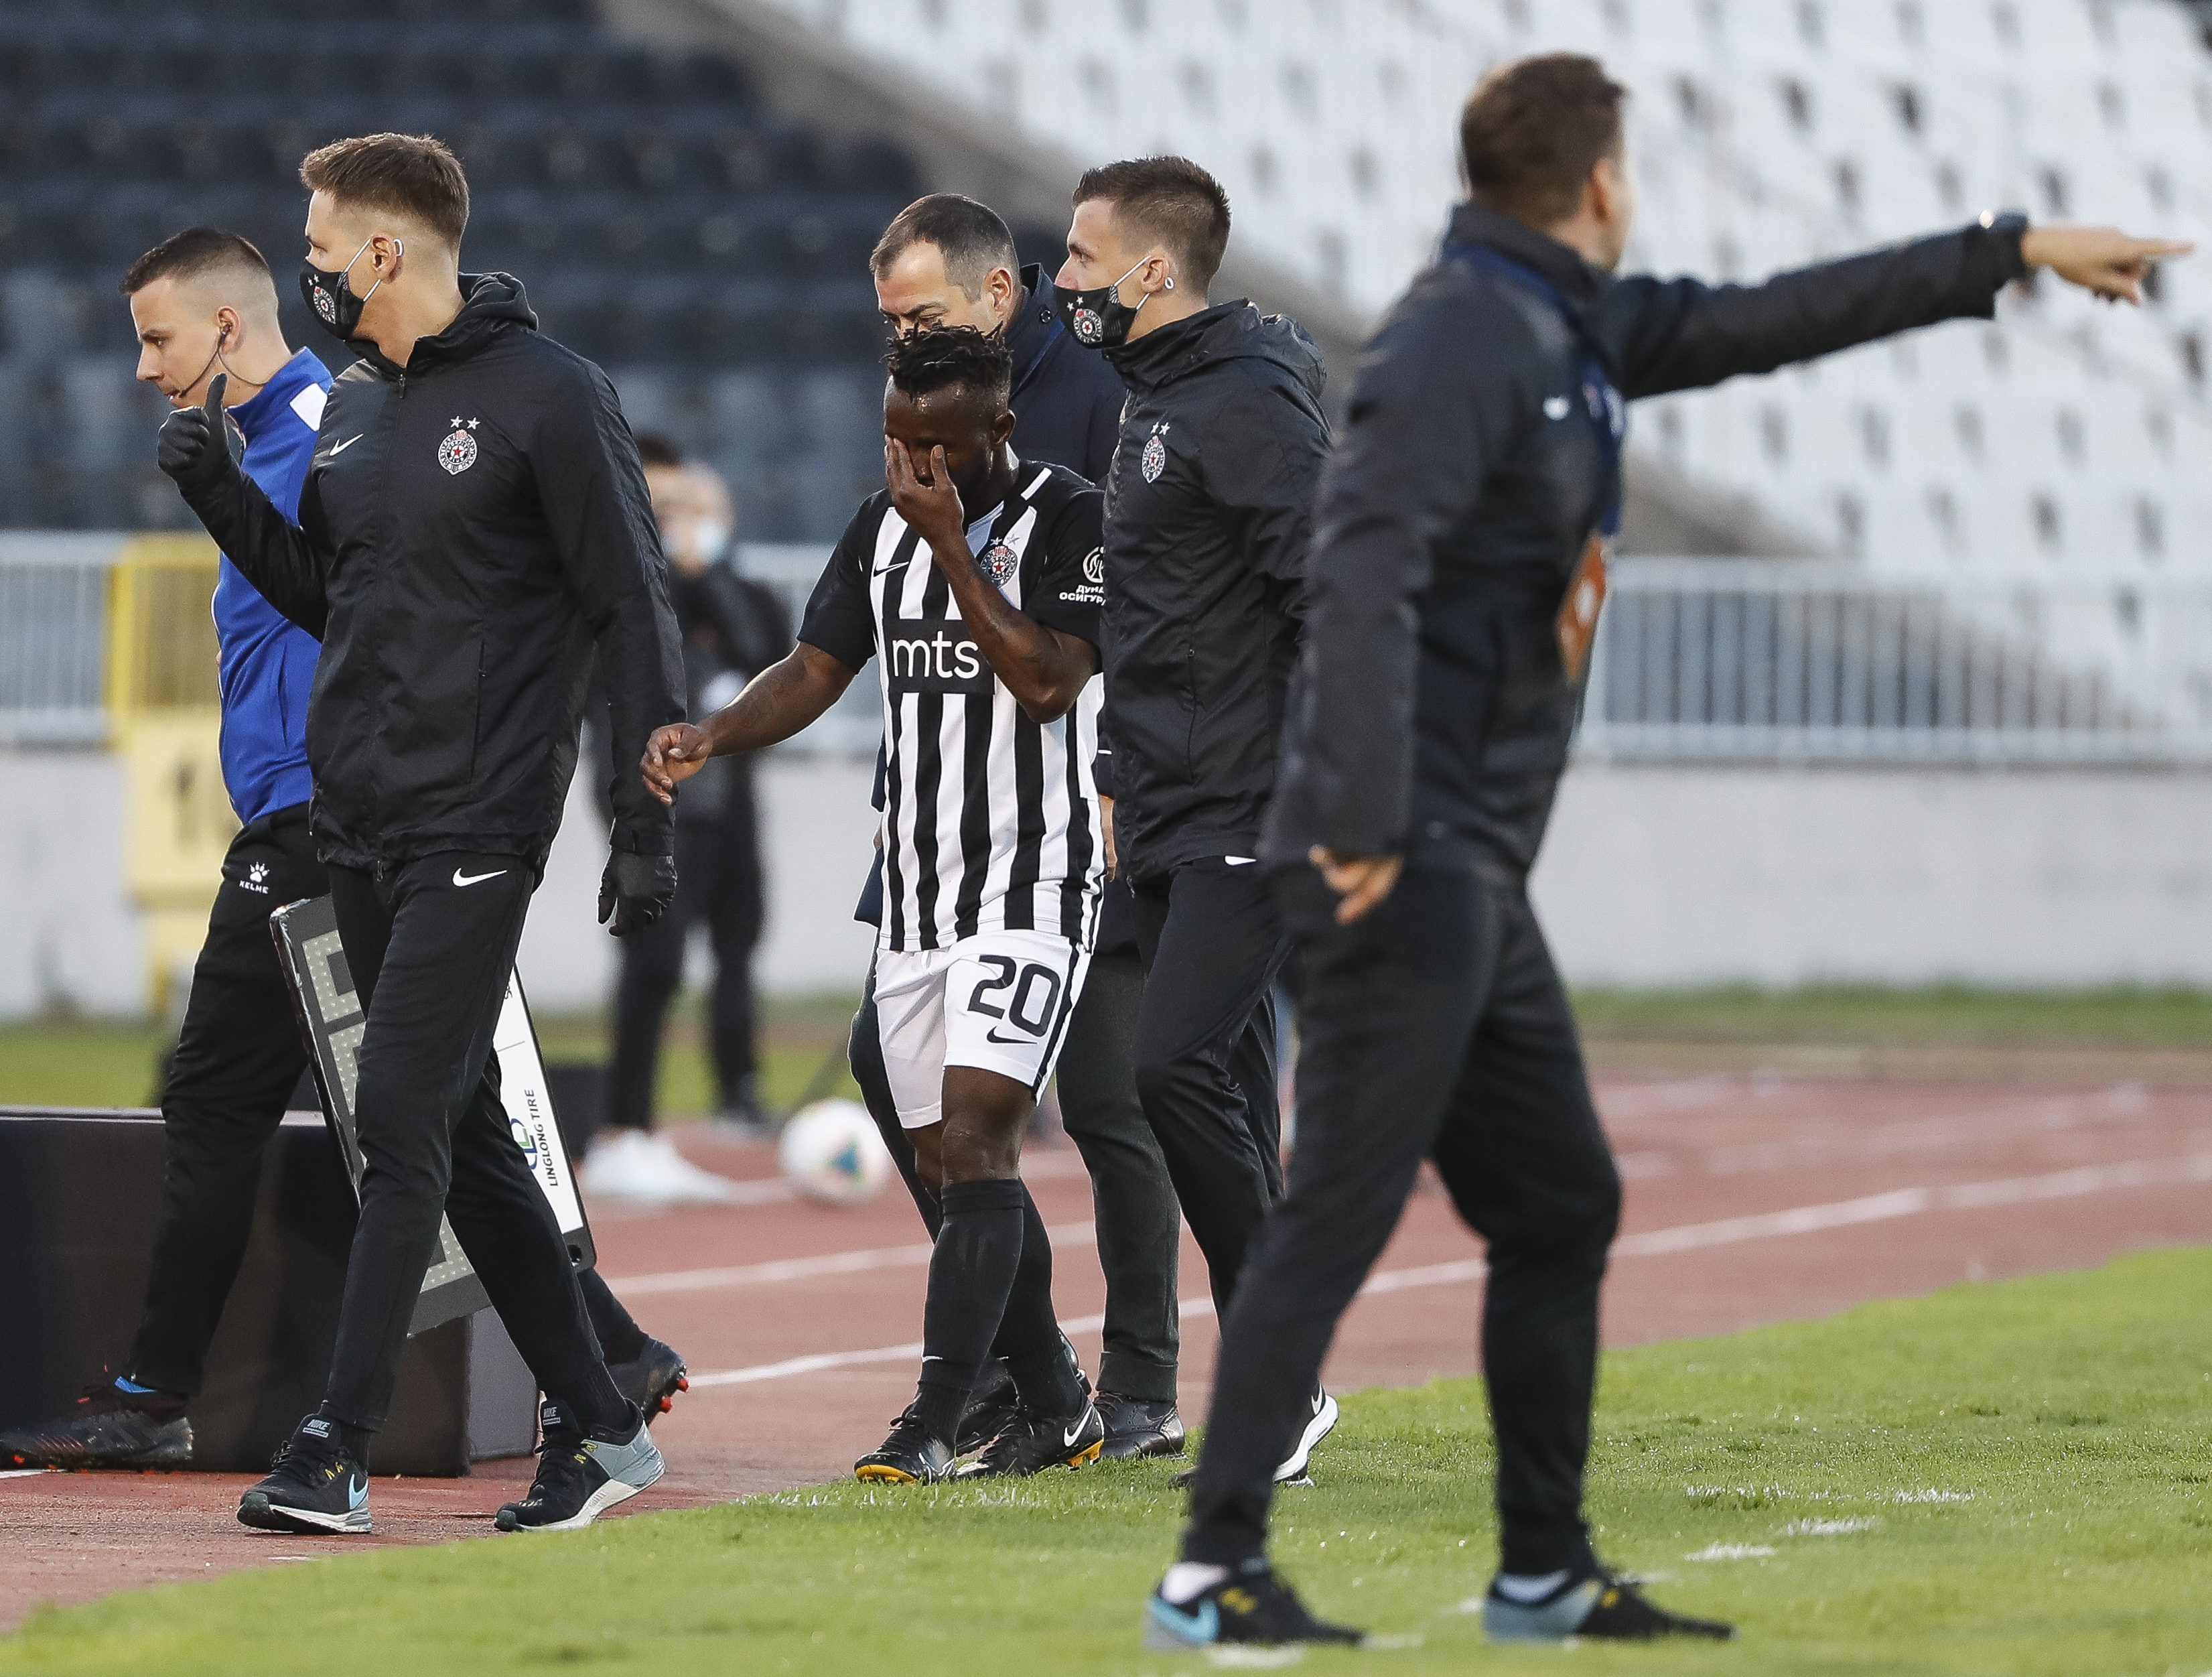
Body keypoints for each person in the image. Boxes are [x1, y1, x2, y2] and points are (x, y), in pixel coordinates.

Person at [1144, 54, 2195, 1652]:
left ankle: (1540, 1572)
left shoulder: (1563, 321)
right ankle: (1210, 1572)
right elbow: (1358, 568)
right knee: (1336, 1216)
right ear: (1600, 181)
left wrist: (2007, 250)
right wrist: (1355, 813)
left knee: (1559, 1204)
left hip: (1469, 865)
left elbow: (1772, 315)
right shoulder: (1456, 340)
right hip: (1396, 852)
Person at [0, 225, 685, 1475]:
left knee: (271, 1098)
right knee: (437, 1110)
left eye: (158, 337)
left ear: (221, 327)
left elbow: (416, 626)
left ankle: (194, 1400)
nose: (145, 366)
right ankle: (610, 1358)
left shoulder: (343, 424)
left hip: (345, 825)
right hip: (337, 822)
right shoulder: (286, 436)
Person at [642, 326, 1109, 1482]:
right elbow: (812, 666)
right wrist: (712, 731)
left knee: (982, 1139)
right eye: (896, 443)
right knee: (948, 1167)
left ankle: (934, 1418)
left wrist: (955, 545)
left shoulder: (1075, 519)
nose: (912, 470)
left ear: (999, 430)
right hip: (916, 895)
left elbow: (1047, 678)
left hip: (1032, 882)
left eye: (936, 447)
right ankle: (1054, 1394)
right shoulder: (877, 525)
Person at [859, 193, 1219, 1458]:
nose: (896, 337)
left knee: (1118, 1101)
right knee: (898, 1073)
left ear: (993, 299)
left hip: (1102, 807)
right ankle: (1028, 1367)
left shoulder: (1116, 412)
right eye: (888, 320)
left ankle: (1137, 1383)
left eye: (917, 315)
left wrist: (1143, 778)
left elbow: (1154, 617)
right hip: (951, 830)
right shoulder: (929, 405)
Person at [1051, 157, 1338, 1479]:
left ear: (1153, 272)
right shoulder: (1150, 401)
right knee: (1202, 1081)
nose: (1063, 283)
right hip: (1163, 797)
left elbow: (1323, 598)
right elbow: (1146, 621)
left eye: (1080, 260)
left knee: (1168, 1070)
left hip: (1251, 796)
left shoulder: (1248, 398)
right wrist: (1116, 781)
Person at [583, 435, 790, 1203]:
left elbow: (764, 652)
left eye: (693, 509)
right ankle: (620, 1129)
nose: (681, 524)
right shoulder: (622, 586)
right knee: (654, 958)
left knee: (714, 950)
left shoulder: (730, 587)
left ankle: (674, 1112)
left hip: (721, 799)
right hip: (646, 790)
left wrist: (703, 576)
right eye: (668, 508)